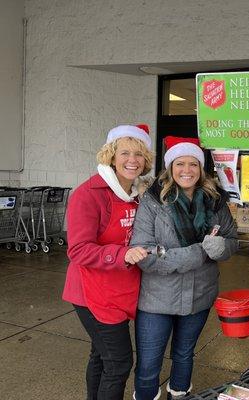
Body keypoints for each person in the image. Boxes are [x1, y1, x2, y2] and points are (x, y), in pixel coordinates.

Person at [130, 136, 238, 400]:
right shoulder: (153, 201)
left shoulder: (215, 201)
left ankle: (179, 395)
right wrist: (199, 252)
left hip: (199, 296)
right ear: (170, 167)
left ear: (201, 169)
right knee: (147, 365)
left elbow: (232, 241)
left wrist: (221, 248)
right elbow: (145, 254)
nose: (186, 170)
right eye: (180, 164)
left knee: (184, 355)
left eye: (193, 164)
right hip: (156, 300)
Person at [63, 124, 154, 400]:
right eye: (125, 152)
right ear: (111, 156)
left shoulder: (138, 194)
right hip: (91, 293)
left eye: (138, 154)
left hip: (119, 289)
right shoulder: (89, 193)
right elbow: (78, 250)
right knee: (119, 362)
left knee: (101, 356)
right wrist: (121, 253)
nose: (132, 160)